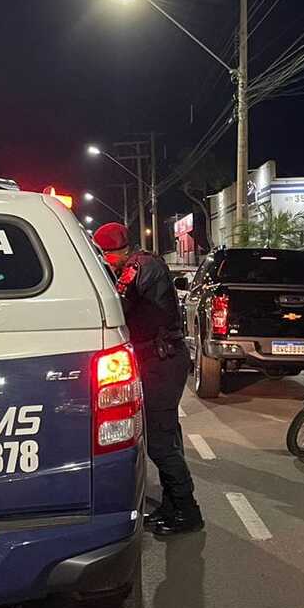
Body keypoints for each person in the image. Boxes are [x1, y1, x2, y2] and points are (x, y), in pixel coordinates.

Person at [92, 221, 203, 537]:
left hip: (161, 361)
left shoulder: (139, 266)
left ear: (118, 251)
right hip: (160, 359)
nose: (108, 262)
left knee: (160, 443)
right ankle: (173, 504)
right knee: (167, 435)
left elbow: (121, 306)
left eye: (108, 256)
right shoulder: (142, 263)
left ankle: (187, 510)